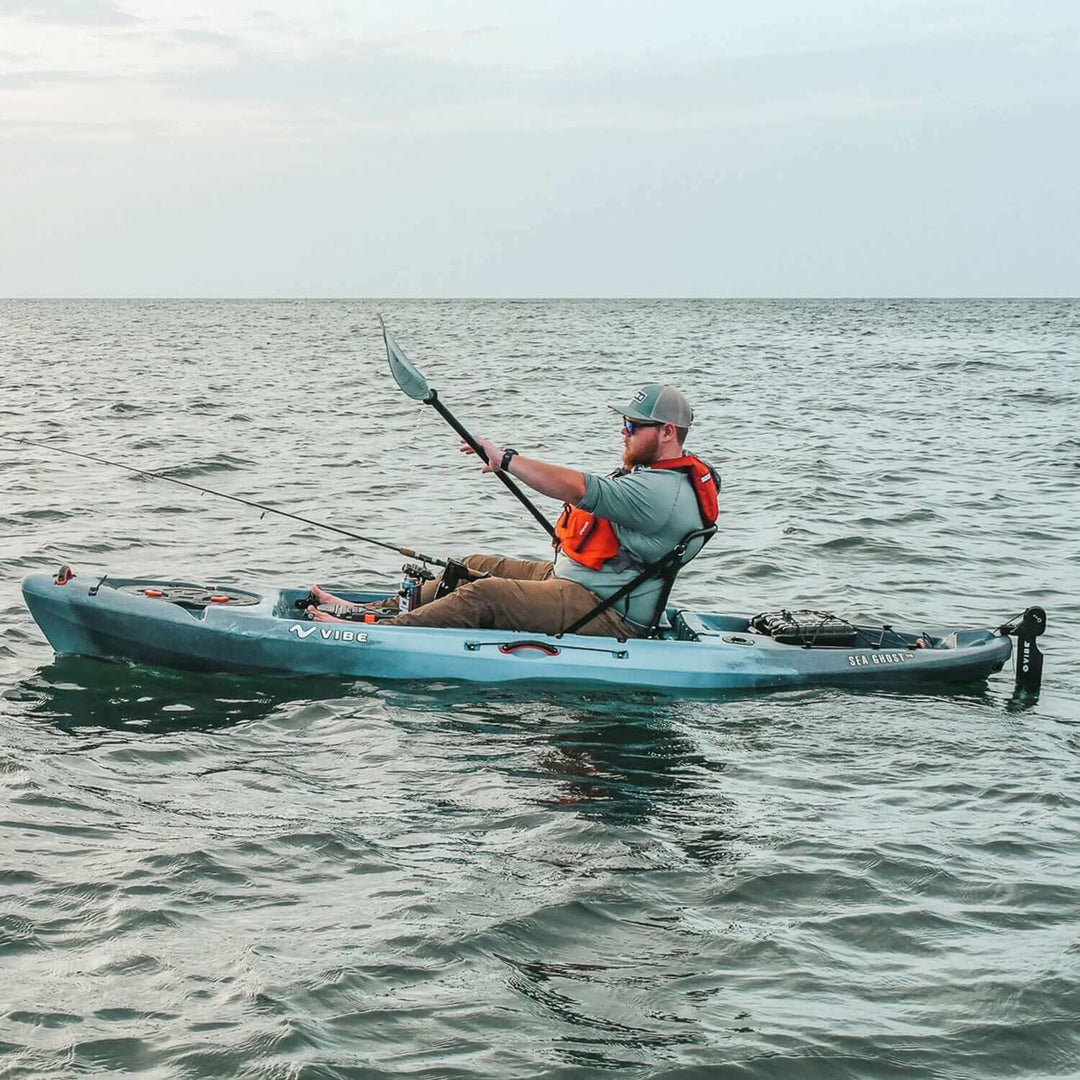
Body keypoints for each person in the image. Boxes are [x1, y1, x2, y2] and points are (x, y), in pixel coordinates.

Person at [309, 383, 719, 639]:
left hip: (604, 607)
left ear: (667, 432)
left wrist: (506, 459)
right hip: (581, 579)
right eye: (625, 423)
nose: (623, 431)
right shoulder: (659, 478)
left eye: (634, 426)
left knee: (485, 595)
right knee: (469, 566)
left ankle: (379, 635)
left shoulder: (659, 493)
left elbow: (579, 487)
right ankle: (369, 612)